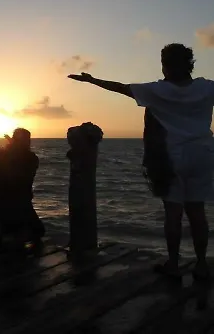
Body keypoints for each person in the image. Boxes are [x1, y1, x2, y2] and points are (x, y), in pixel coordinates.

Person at [69, 43, 213, 280]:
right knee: (197, 211)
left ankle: (173, 265)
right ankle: (201, 265)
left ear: (165, 65)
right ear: (190, 64)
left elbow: (122, 88)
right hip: (203, 154)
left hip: (172, 156)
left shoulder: (158, 90)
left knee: (173, 212)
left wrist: (92, 80)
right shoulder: (206, 87)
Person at [0, 128, 45, 245]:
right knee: (37, 231)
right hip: (20, 201)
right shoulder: (31, 158)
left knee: (34, 231)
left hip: (6, 201)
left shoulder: (4, 155)